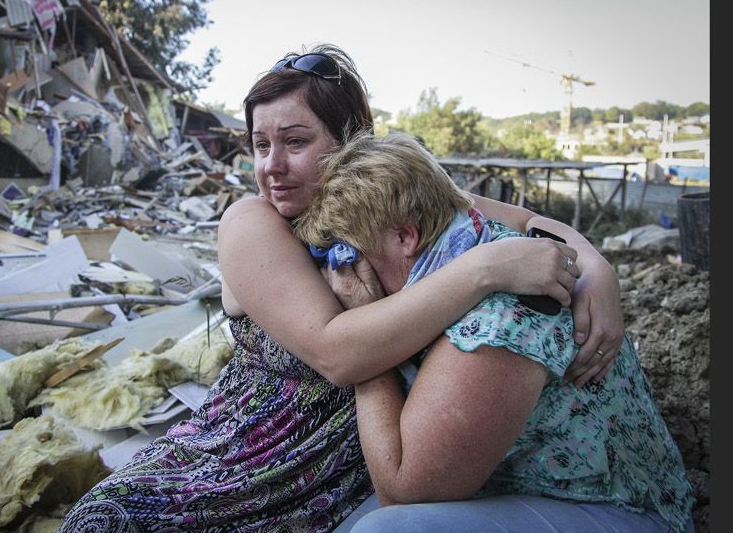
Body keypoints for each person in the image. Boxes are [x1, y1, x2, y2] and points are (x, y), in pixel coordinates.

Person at [60, 44, 625, 532]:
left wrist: (598, 271)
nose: (272, 167)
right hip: (253, 450)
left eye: (295, 141)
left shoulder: (389, 199)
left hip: (365, 456)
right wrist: (483, 271)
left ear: (353, 139)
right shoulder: (253, 223)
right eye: (260, 145)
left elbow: (525, 224)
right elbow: (336, 350)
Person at [293, 130, 694, 532]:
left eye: (353, 256)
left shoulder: (499, 315)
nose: (348, 276)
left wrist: (368, 346)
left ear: (404, 236)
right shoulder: (471, 243)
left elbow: (401, 489)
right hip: (532, 492)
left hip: (622, 511)